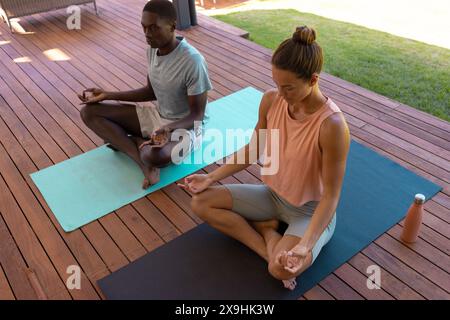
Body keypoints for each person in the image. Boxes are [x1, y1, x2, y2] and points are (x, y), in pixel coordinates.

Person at [179, 26, 350, 290]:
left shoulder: (333, 126)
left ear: (313, 80)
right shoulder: (271, 100)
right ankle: (267, 240)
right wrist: (210, 177)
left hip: (310, 211)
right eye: (276, 84)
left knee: (280, 270)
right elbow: (253, 149)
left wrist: (305, 246)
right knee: (201, 202)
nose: (281, 94)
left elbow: (331, 196)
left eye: (289, 88)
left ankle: (268, 231)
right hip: (272, 196)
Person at [79, 0, 212, 189]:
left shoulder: (193, 61)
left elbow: (197, 116)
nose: (147, 34)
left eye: (154, 28)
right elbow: (150, 91)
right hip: (158, 117)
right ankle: (142, 161)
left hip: (186, 128)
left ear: (172, 26)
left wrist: (168, 128)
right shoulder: (152, 49)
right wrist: (107, 95)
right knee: (89, 113)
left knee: (156, 156)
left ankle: (133, 144)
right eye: (144, 27)